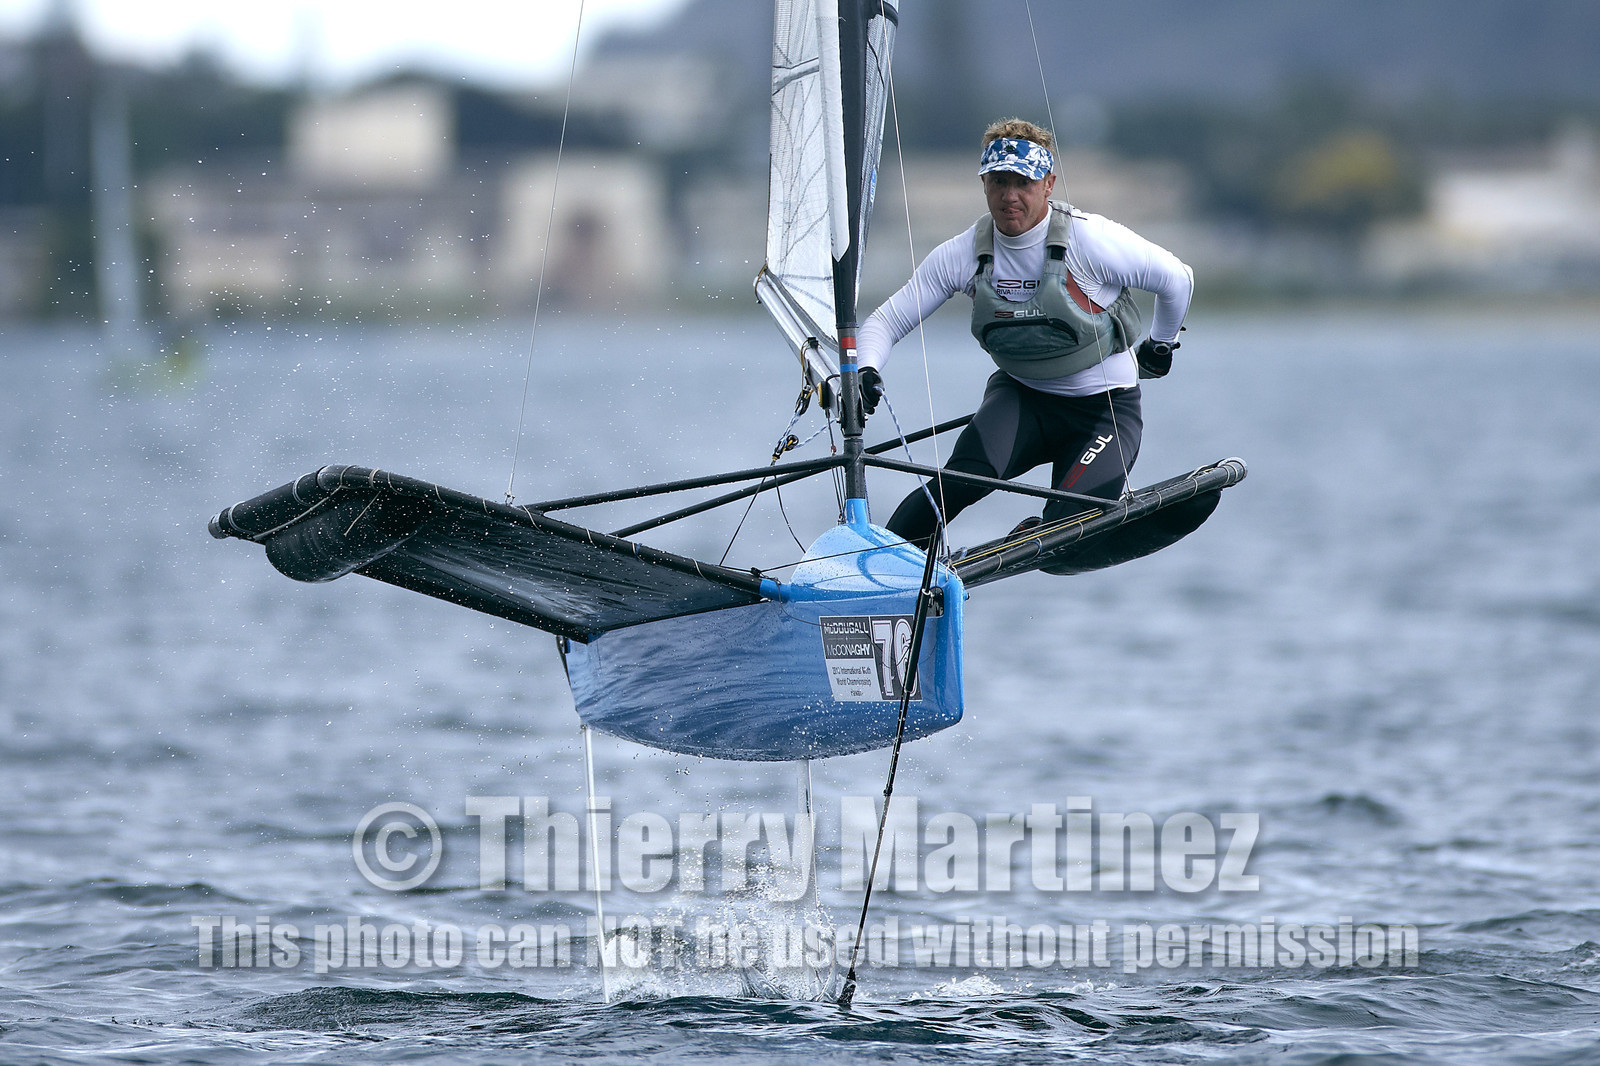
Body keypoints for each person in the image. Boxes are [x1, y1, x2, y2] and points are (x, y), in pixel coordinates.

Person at [856, 118, 1193, 551]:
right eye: (998, 182)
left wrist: (1161, 346)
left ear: (1048, 184)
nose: (1009, 196)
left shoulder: (1090, 241)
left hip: (1103, 412)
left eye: (1023, 183)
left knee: (1068, 529)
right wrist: (865, 370)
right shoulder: (963, 254)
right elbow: (884, 321)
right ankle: (879, 568)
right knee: (952, 486)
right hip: (1021, 401)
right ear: (984, 184)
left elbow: (1178, 280)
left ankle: (1039, 533)